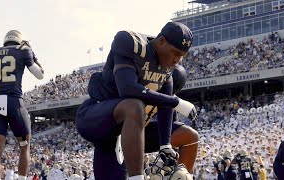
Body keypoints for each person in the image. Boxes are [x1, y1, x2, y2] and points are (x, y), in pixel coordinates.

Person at [76, 22, 198, 180]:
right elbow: (127, 89)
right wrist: (175, 102)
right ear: (161, 41)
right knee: (134, 105)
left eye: (181, 56)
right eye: (175, 53)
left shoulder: (168, 71)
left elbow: (164, 108)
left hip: (133, 133)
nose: (177, 60)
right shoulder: (132, 44)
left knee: (190, 136)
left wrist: (165, 146)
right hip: (102, 120)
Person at [0, 30, 44, 180]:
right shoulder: (23, 51)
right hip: (14, 102)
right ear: (19, 41)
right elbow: (40, 74)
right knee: (24, 146)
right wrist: (33, 55)